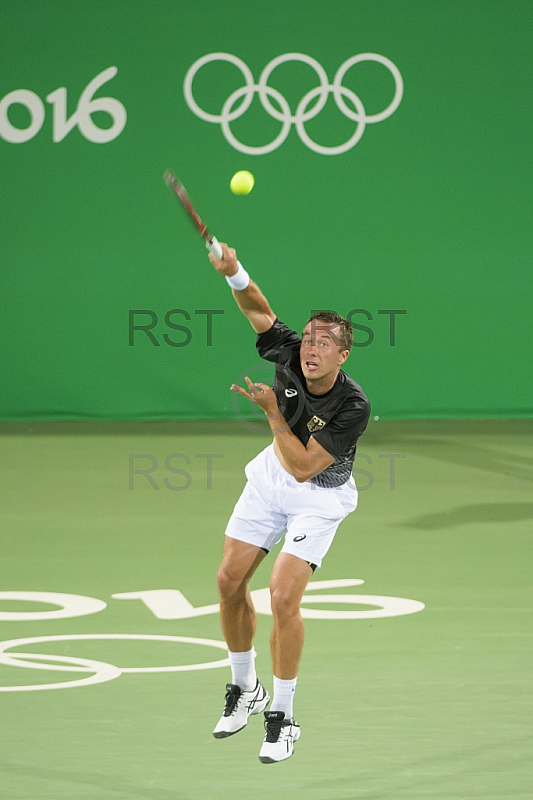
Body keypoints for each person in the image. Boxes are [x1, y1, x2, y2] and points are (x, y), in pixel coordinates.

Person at [208, 244, 370, 763]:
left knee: (282, 597)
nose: (311, 350)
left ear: (342, 355)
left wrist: (273, 413)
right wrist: (235, 272)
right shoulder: (288, 350)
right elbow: (258, 309)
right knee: (229, 580)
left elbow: (305, 467)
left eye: (325, 344)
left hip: (318, 498)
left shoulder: (353, 405)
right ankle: (244, 688)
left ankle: (282, 715)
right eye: (309, 340)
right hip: (270, 479)